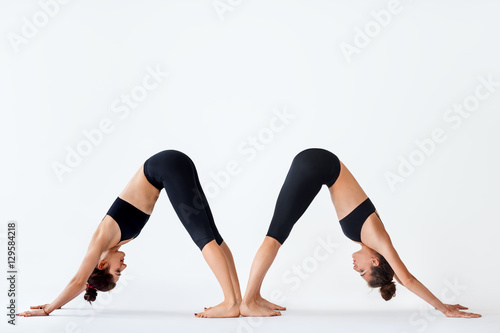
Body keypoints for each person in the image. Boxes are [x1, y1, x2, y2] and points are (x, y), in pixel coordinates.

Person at [240, 148, 481, 318]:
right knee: (274, 238)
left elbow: (396, 277)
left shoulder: (366, 239)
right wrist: (443, 308)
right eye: (363, 271)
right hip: (318, 165)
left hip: (319, 165)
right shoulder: (378, 238)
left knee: (277, 235)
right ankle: (248, 302)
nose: (356, 268)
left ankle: (255, 296)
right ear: (376, 260)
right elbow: (406, 279)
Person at [18, 150, 241, 318]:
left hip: (164, 168)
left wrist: (49, 308)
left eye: (117, 271)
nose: (123, 267)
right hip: (171, 165)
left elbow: (78, 281)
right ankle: (239, 300)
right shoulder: (114, 243)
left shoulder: (100, 241)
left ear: (102, 265)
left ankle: (230, 304)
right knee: (214, 237)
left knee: (204, 239)